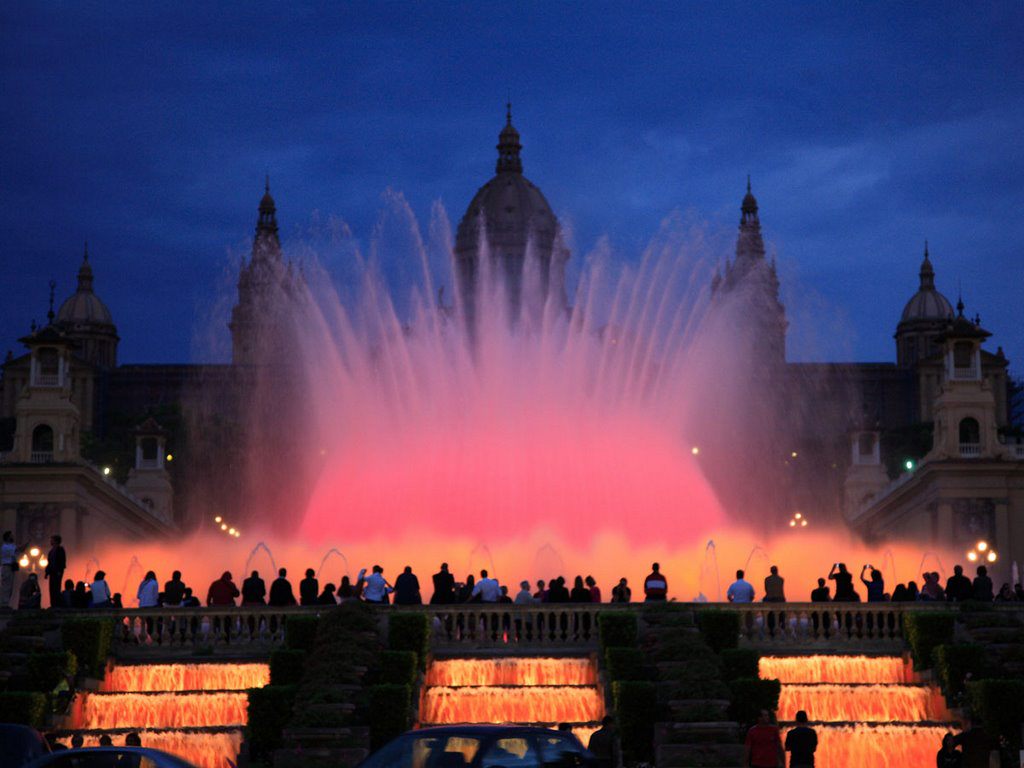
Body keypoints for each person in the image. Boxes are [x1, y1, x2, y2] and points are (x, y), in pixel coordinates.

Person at [1, 530, 27, 609]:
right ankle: (3, 604)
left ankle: (6, 603)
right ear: (8, 537)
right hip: (7, 566)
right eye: (11, 535)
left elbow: (21, 550)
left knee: (10, 587)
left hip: (11, 567)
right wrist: (27, 543)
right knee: (6, 586)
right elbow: (19, 549)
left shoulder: (11, 545)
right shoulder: (5, 547)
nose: (13, 536)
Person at [45, 534, 67, 610]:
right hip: (52, 572)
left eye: (52, 540)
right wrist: (47, 572)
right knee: (51, 588)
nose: (50, 541)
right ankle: (53, 604)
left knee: (56, 587)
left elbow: (62, 561)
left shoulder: (60, 550)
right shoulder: (51, 551)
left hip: (57, 571)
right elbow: (49, 562)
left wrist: (60, 571)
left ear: (56, 541)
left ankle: (57, 604)